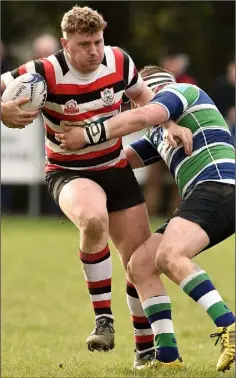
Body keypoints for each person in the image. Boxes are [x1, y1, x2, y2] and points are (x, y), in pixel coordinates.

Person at [0, 6, 192, 369]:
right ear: (65, 44)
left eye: (98, 41)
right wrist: (1, 109)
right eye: (84, 44)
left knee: (140, 262)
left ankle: (145, 349)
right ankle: (103, 319)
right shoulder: (43, 71)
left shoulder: (118, 60)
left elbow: (143, 99)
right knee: (92, 219)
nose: (93, 50)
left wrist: (168, 126)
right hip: (68, 171)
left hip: (115, 167)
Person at [58, 65, 235, 373]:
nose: (133, 104)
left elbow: (143, 115)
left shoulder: (181, 92)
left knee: (169, 255)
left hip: (219, 186)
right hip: (210, 195)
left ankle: (229, 325)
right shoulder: (161, 131)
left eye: (135, 96)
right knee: (140, 264)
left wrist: (90, 131)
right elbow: (122, 160)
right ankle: (167, 357)